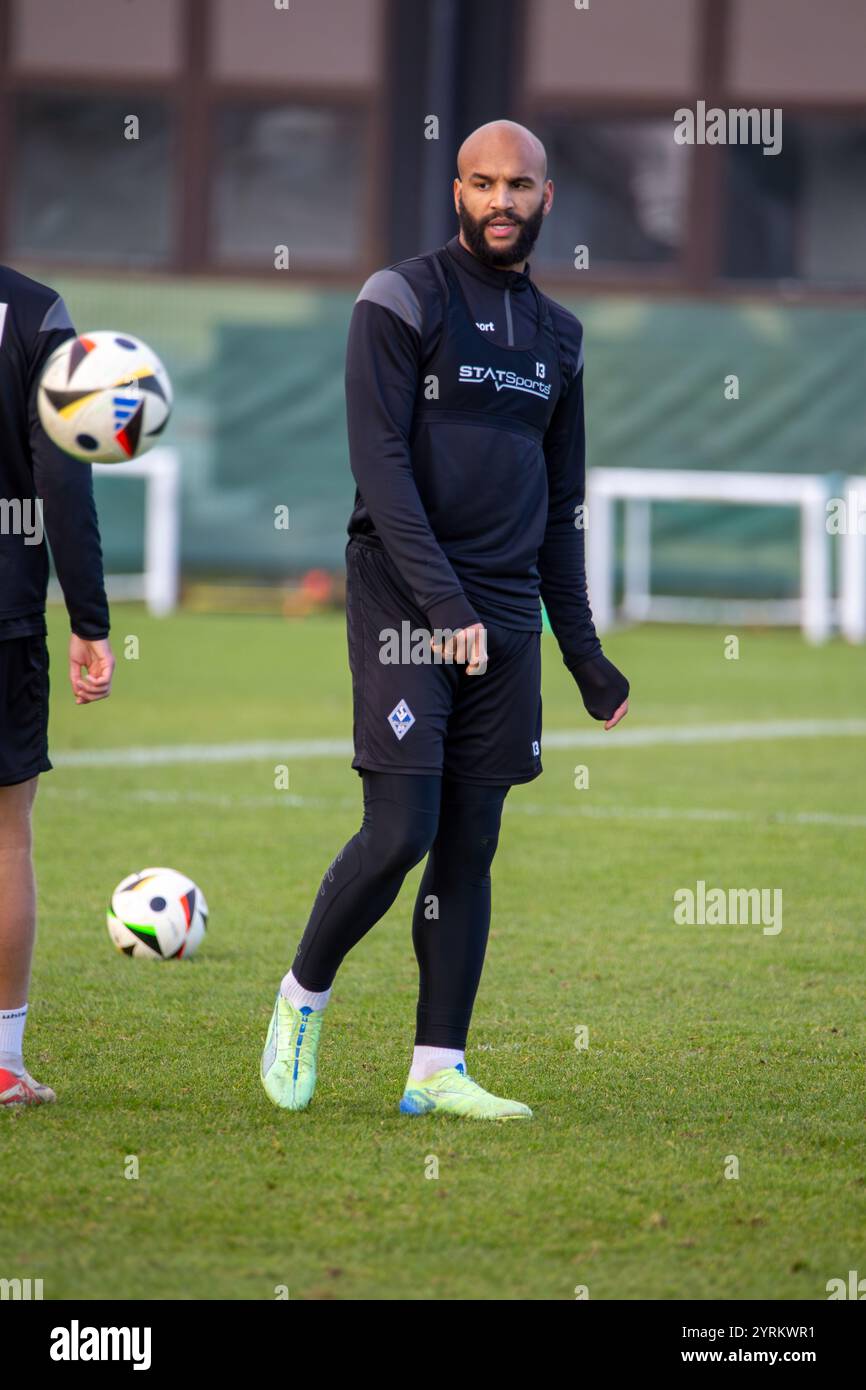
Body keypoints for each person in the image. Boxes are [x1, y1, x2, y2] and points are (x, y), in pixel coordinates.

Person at [261, 120, 629, 1120]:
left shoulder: (559, 338)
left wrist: (585, 655)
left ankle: (437, 1068)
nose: (500, 200)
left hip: (507, 614)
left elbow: (561, 506)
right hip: (403, 595)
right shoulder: (399, 298)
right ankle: (302, 995)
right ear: (454, 192)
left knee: (469, 842)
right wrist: (444, 605)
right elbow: (379, 469)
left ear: (545, 198)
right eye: (481, 183)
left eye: (518, 185)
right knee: (400, 829)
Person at [0, 264, 114, 1107]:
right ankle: (2, 1065)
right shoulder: (37, 313)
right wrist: (91, 619)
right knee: (6, 839)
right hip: (4, 615)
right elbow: (63, 480)